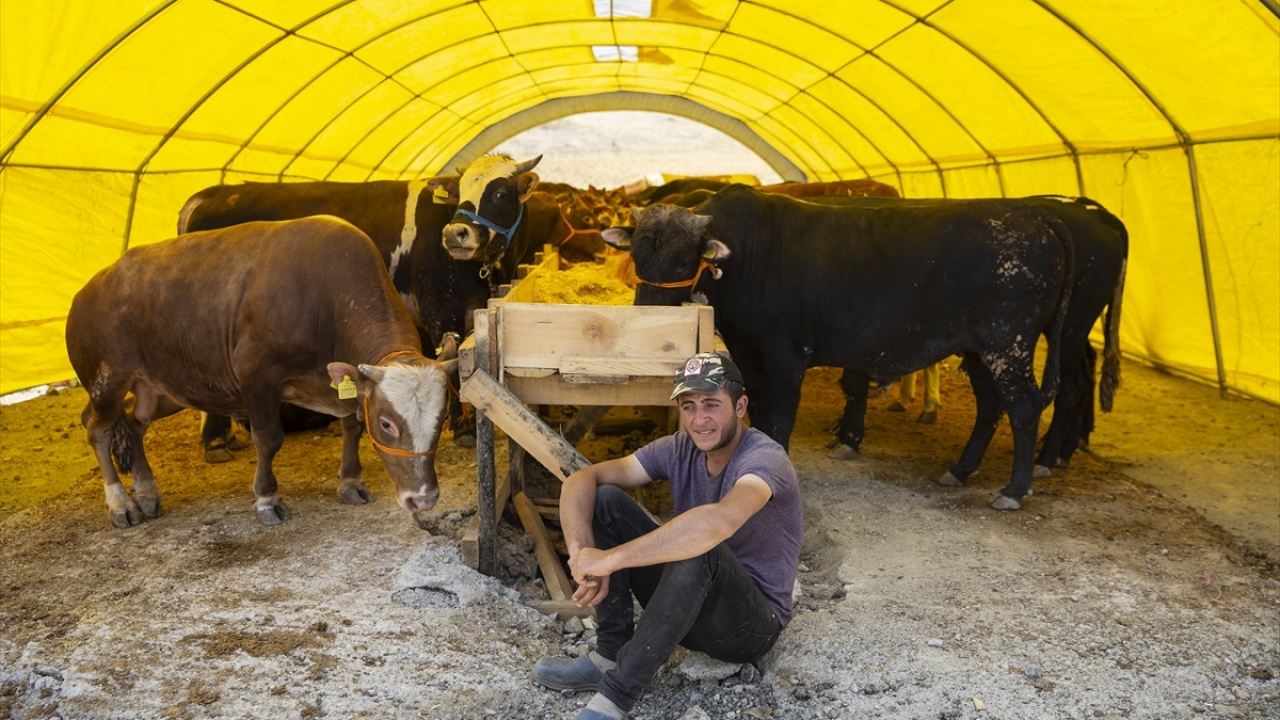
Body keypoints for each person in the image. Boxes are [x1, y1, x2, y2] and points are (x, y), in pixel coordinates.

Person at [532, 352, 804, 720]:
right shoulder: (679, 447)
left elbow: (719, 522)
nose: (699, 419)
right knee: (606, 499)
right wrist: (582, 555)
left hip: (748, 627)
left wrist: (611, 559)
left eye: (712, 405)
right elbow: (583, 479)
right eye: (689, 406)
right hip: (687, 608)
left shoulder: (765, 458)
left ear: (740, 407)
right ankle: (609, 654)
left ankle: (615, 698)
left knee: (700, 544)